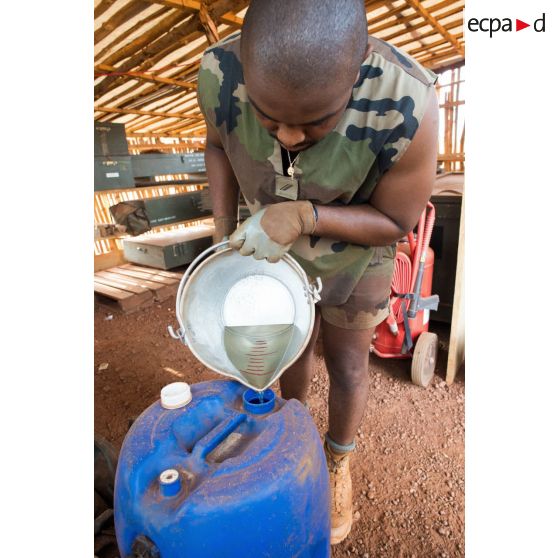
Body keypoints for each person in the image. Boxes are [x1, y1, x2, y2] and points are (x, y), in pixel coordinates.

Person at [197, 0, 438, 545]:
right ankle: (291, 435)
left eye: (314, 121)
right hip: (270, 247)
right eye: (267, 115)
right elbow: (216, 142)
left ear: (357, 71)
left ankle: (336, 460)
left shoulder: (407, 102)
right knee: (290, 349)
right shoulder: (218, 74)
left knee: (350, 363)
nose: (285, 137)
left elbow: (396, 219)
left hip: (360, 247)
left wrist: (305, 214)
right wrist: (220, 235)